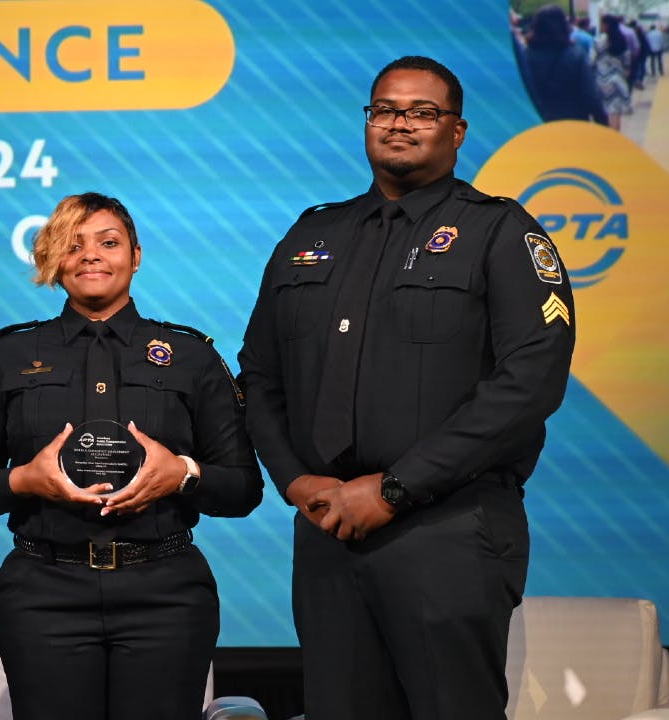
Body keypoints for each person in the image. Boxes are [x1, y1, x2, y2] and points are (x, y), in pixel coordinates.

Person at [237, 56, 575, 720]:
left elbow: (530, 381)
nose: (400, 124)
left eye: (423, 112)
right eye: (386, 109)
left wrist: (395, 489)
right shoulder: (313, 234)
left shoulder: (499, 231)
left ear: (457, 131)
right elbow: (258, 373)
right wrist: (295, 481)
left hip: (448, 528)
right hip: (329, 531)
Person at [0, 192, 263, 720]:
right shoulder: (8, 354)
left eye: (108, 242)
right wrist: (24, 481)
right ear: (52, 257)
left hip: (167, 594)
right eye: (72, 244)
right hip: (43, 594)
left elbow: (243, 488)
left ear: (136, 255)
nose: (91, 255)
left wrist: (182, 474)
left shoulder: (191, 355)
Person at [523, 4, 607, 124]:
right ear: (564, 26)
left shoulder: (526, 56)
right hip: (573, 123)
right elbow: (590, 94)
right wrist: (602, 121)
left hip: (538, 124)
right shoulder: (576, 55)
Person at [597, 15, 635, 129]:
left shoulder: (598, 41)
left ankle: (608, 138)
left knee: (606, 112)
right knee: (616, 112)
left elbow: (591, 60)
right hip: (618, 80)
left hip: (601, 81)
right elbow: (627, 61)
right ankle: (616, 136)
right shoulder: (622, 40)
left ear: (605, 25)